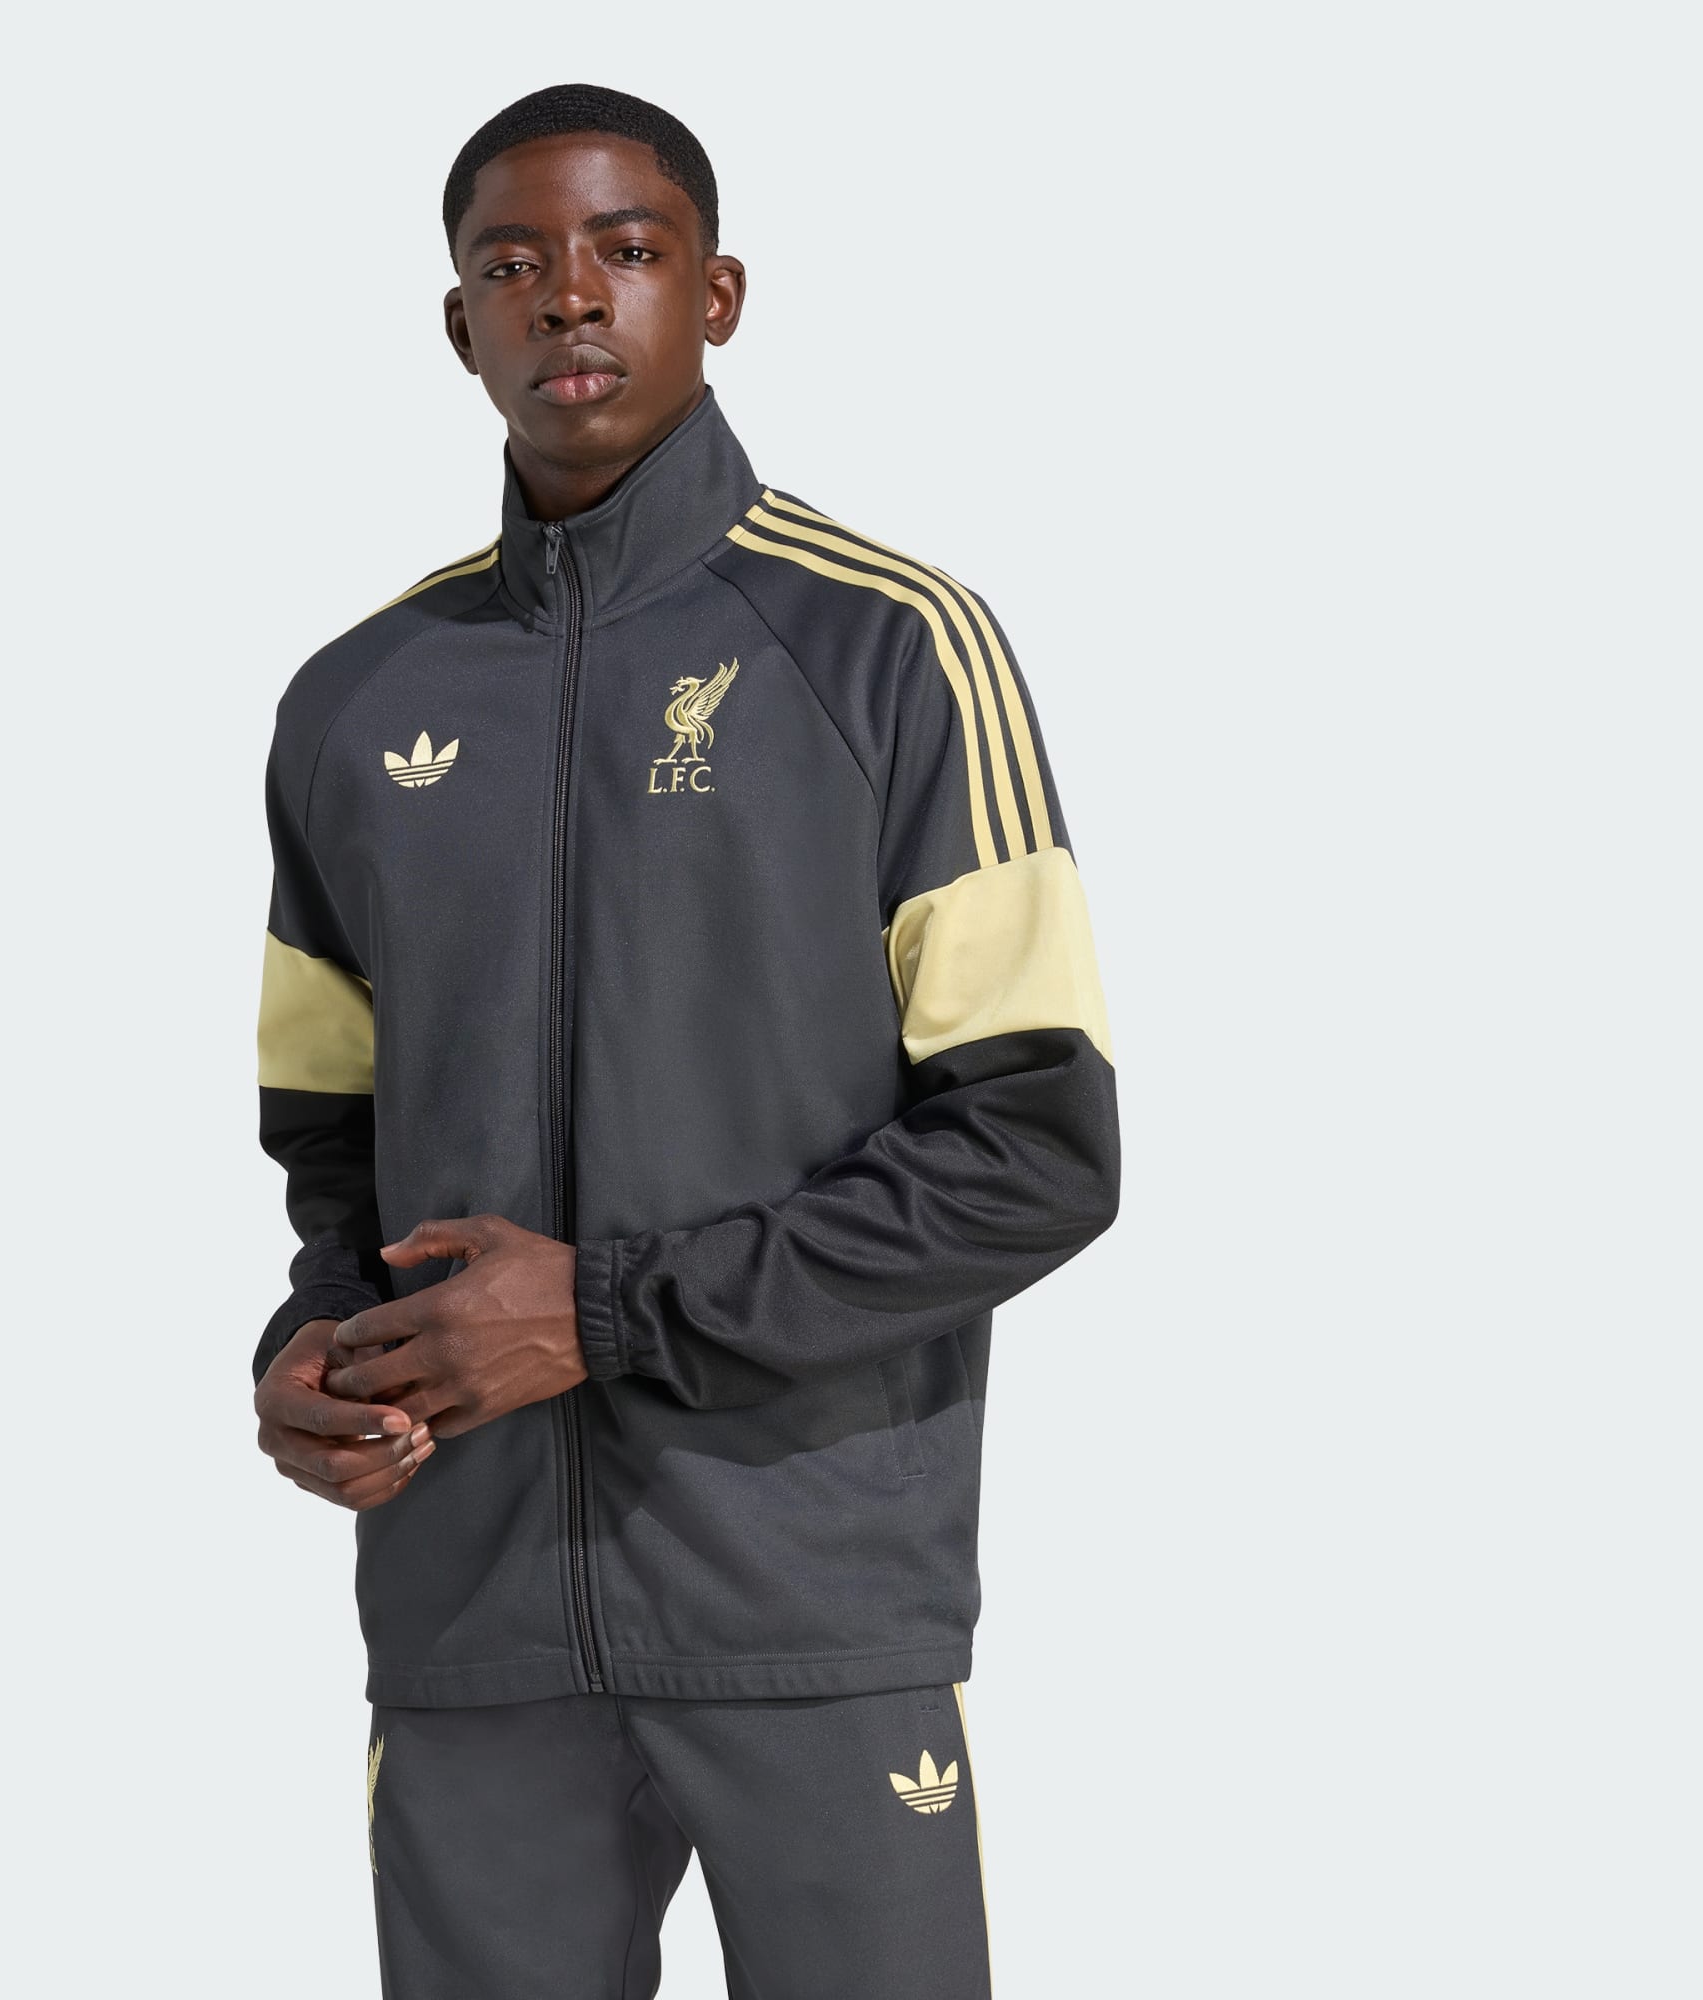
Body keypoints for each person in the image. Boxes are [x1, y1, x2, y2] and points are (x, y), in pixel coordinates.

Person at [249, 80, 1121, 2000]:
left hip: (807, 1600)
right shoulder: (356, 703)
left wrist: (605, 1312)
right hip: (468, 1616)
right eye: (513, 265)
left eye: (625, 252)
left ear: (715, 296)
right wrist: (316, 1350)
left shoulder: (892, 647)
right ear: (458, 323)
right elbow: (334, 1150)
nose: (569, 296)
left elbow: (1036, 1151)